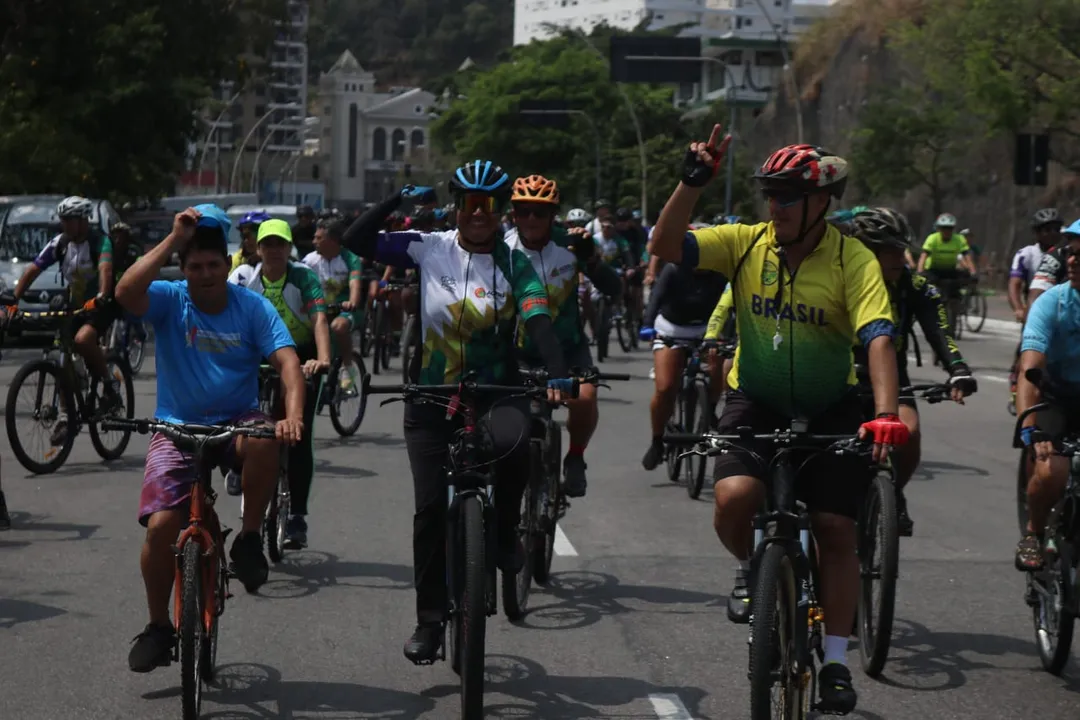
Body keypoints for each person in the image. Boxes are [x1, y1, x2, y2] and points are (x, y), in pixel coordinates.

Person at [648, 129, 909, 715]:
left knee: (835, 529)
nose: (776, 208)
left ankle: (837, 660)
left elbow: (879, 337)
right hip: (755, 398)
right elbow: (666, 244)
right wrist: (692, 181)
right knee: (735, 496)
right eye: (770, 195)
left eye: (788, 197)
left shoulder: (853, 258)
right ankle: (751, 568)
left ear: (822, 203)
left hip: (831, 406)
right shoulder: (744, 243)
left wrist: (887, 414)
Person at [341, 163, 573, 664]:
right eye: (469, 203)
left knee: (517, 445)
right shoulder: (430, 246)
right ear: (456, 206)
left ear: (499, 212)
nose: (477, 214)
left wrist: (557, 370)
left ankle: (507, 531)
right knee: (428, 512)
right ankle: (429, 622)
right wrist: (397, 201)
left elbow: (537, 319)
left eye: (488, 205)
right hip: (432, 396)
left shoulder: (516, 263)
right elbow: (355, 239)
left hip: (495, 390)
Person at [114, 204, 305, 672]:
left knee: (265, 437)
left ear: (228, 266)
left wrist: (293, 416)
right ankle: (160, 626)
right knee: (161, 530)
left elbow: (288, 364)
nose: (204, 274)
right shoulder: (169, 298)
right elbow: (125, 292)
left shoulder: (253, 307)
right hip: (176, 426)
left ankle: (251, 537)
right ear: (185, 268)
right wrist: (173, 241)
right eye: (194, 266)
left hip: (234, 423)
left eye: (213, 266)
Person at [848, 208, 977, 536]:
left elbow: (939, 330)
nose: (899, 258)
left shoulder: (915, 287)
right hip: (838, 377)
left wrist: (958, 369)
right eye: (888, 250)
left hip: (890, 379)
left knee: (910, 433)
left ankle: (892, 491)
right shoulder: (838, 280)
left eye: (900, 248)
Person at [504, 174, 621, 498]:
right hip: (517, 351)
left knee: (585, 397)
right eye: (523, 211)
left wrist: (592, 259)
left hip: (568, 348)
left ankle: (575, 457)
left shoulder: (571, 244)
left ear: (553, 215)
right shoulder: (500, 250)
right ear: (513, 213)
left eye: (539, 212)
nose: (530, 219)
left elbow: (614, 289)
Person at [229, 220, 331, 549]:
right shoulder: (243, 277)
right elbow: (224, 315)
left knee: (298, 435)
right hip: (254, 355)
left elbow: (318, 319)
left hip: (300, 356)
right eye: (268, 244)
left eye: (281, 244)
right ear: (257, 248)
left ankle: (297, 516)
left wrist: (322, 359)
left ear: (290, 249)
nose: (274, 250)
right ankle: (236, 462)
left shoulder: (303, 276)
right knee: (234, 419)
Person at [10, 196, 123, 436]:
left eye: (70, 220)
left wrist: (102, 294)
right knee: (61, 354)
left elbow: (105, 269)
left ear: (83, 220)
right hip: (74, 304)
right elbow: (32, 270)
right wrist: (13, 300)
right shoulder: (60, 243)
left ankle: (109, 383)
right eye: (63, 221)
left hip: (101, 303)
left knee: (83, 341)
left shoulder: (100, 241)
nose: (66, 225)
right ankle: (65, 414)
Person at [1015, 227, 1080, 572]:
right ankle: (1033, 533)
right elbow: (1030, 371)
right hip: (1054, 395)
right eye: (1071, 252)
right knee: (1053, 470)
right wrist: (1031, 428)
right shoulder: (1051, 303)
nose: (1071, 261)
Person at [638, 261, 727, 470]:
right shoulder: (673, 269)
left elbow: (732, 304)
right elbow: (655, 299)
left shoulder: (720, 273)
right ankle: (657, 440)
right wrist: (647, 325)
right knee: (666, 387)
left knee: (717, 368)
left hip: (707, 332)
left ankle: (710, 409)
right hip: (671, 330)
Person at [304, 218, 365, 391]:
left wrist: (351, 302)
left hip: (344, 311)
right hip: (319, 310)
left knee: (339, 326)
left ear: (333, 241)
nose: (314, 242)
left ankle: (347, 368)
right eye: (314, 237)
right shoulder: (309, 260)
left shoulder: (350, 259)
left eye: (319, 238)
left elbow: (355, 283)